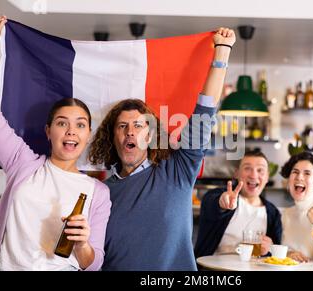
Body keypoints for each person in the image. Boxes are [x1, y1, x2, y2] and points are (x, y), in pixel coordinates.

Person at [88, 28, 236, 270]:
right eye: (122, 126)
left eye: (138, 125)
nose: (130, 132)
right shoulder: (102, 192)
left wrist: (222, 52)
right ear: (111, 137)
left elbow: (204, 111)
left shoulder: (177, 170)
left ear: (151, 134)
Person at [0, 15, 111, 271]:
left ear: (88, 134)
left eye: (80, 124)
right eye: (62, 123)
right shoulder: (21, 162)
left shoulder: (98, 193)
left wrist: (81, 245)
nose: (71, 131)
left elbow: (93, 265)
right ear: (49, 131)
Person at [194, 150, 282, 259]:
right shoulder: (219, 195)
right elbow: (212, 204)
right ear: (237, 173)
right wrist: (222, 202)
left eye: (260, 170)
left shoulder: (273, 214)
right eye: (247, 168)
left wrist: (269, 249)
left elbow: (275, 255)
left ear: (267, 177)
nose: (253, 175)